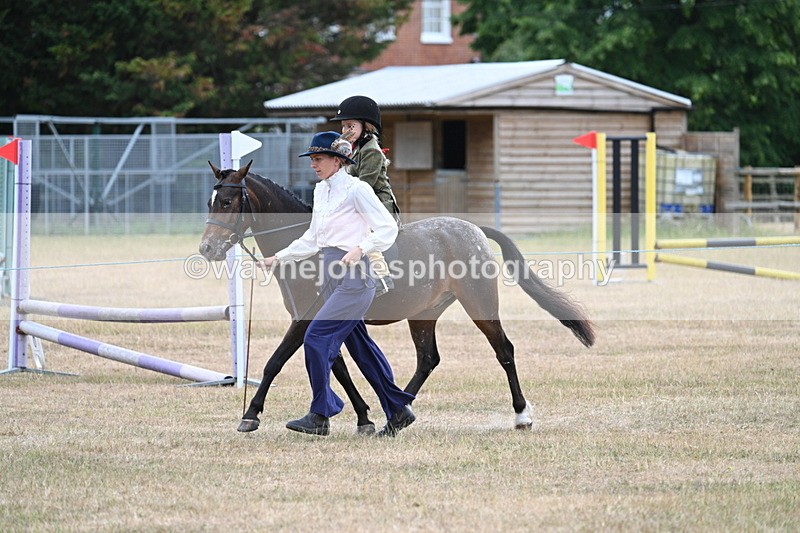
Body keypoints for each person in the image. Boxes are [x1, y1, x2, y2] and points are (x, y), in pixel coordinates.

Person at [259, 131, 415, 438]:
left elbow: (386, 228)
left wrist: (361, 248)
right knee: (362, 349)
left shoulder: (357, 190)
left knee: (316, 337)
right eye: (312, 160)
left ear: (337, 160)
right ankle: (398, 409)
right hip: (330, 275)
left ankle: (321, 413)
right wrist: (279, 257)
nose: (313, 165)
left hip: (355, 278)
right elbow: (313, 238)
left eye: (318, 159)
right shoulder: (320, 191)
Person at [330, 95, 399, 296]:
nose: (345, 131)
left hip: (377, 203)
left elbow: (363, 187)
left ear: (366, 126)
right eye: (343, 127)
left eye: (350, 126)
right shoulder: (354, 149)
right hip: (359, 200)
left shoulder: (372, 151)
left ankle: (381, 276)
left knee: (362, 231)